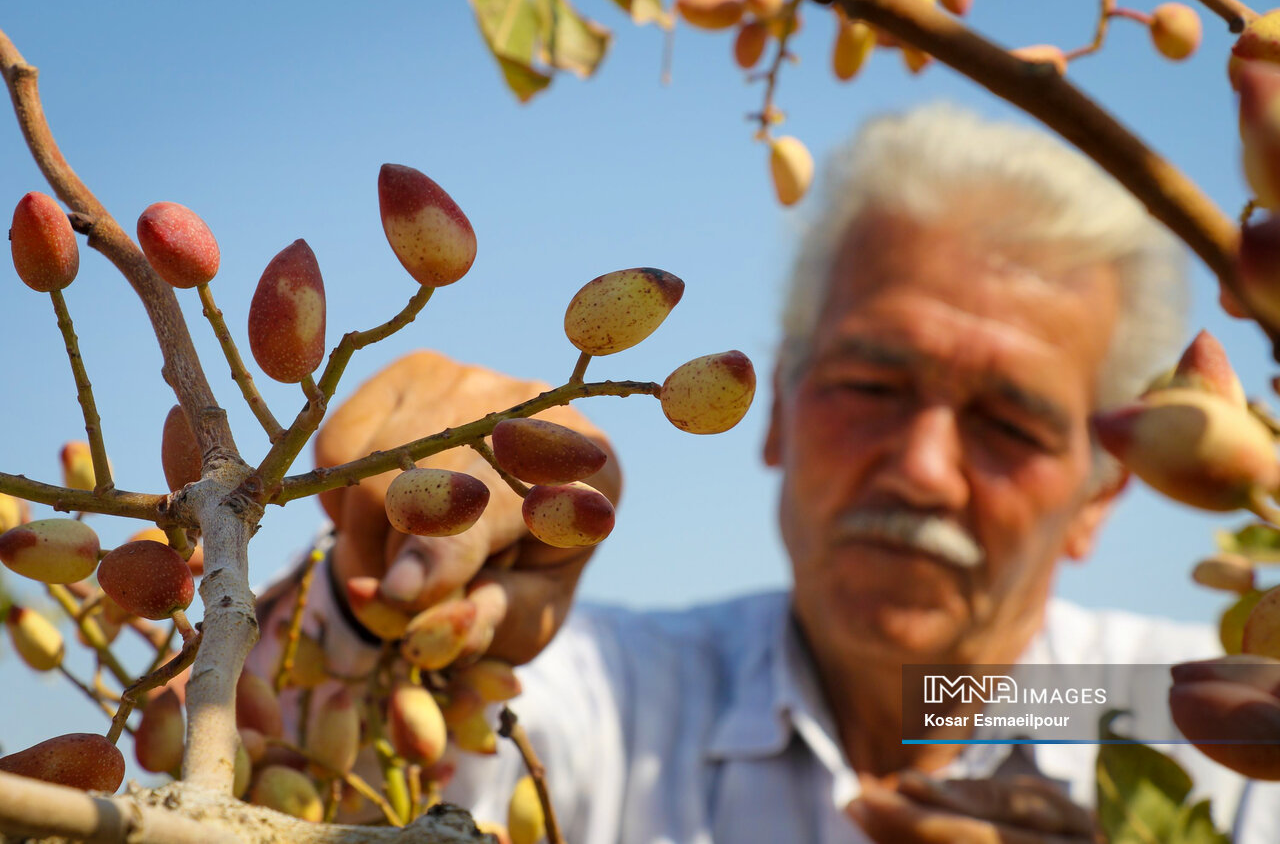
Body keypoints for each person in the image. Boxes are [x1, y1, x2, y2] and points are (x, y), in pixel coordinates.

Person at [251, 104, 1280, 842]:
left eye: (1008, 422)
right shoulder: (610, 700)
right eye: (871, 386)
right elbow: (273, 773)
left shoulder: (1195, 718)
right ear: (776, 411)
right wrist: (386, 574)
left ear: (1100, 491)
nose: (920, 470)